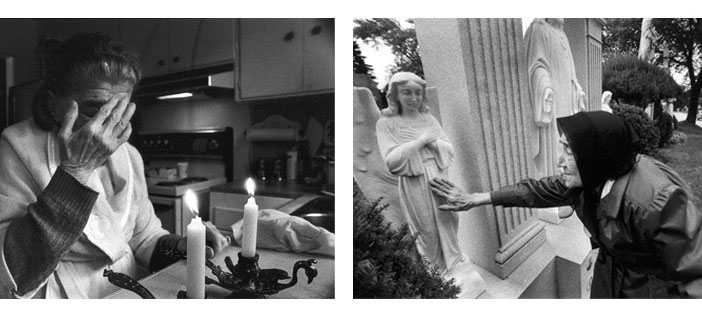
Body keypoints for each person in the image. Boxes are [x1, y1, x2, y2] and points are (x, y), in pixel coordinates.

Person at [0, 33, 226, 299]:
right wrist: (76, 171)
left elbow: (144, 238)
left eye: (117, 111)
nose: (104, 129)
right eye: (93, 109)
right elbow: (11, 271)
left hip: (125, 291)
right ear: (53, 105)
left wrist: (182, 247)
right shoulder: (16, 147)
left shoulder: (130, 156)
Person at [430, 111, 702, 298]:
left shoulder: (658, 200)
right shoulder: (589, 176)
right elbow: (534, 191)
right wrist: (478, 198)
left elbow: (694, 274)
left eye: (569, 151)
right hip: (609, 278)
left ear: (597, 153)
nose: (559, 161)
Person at [375, 72, 463, 274]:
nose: (413, 99)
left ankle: (454, 260)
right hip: (414, 181)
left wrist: (432, 142)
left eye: (417, 93)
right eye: (407, 93)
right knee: (427, 227)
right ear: (396, 95)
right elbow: (391, 160)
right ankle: (435, 268)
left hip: (438, 175)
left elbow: (449, 149)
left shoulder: (429, 119)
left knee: (450, 217)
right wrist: (419, 142)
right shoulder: (387, 124)